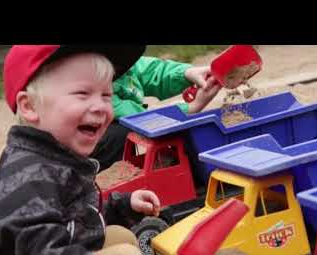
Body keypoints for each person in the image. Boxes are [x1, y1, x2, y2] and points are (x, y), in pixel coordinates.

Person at [0, 45, 178, 255]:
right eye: (82, 94)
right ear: (30, 107)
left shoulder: (59, 158)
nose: (100, 106)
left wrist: (121, 206)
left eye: (106, 95)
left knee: (119, 237)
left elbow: (75, 221)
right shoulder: (28, 177)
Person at [91, 55, 222, 171]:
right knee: (120, 133)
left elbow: (149, 70)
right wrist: (190, 108)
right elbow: (140, 119)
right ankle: (99, 183)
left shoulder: (120, 60)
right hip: (89, 147)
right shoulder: (92, 84)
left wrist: (186, 73)